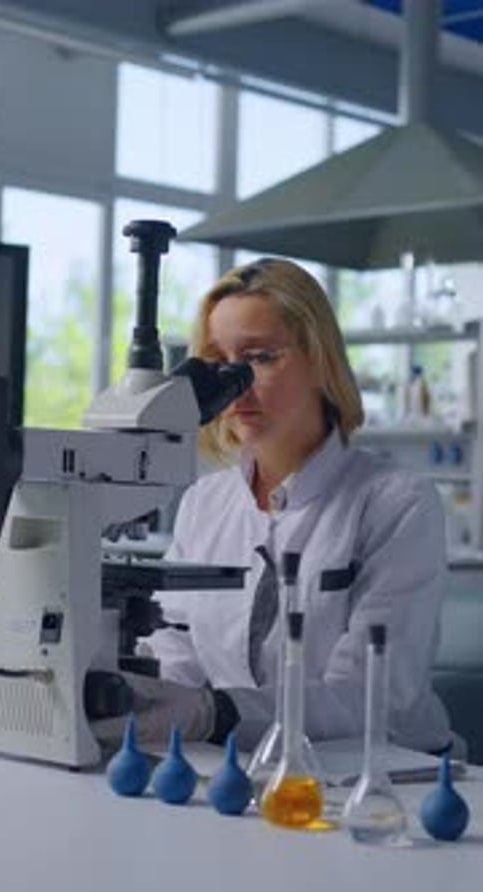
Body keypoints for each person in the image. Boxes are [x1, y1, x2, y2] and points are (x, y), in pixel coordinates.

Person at [92, 257, 451, 756]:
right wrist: (152, 702)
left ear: (320, 361)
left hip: (387, 772)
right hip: (238, 761)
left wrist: (217, 713)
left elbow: (373, 695)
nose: (234, 383)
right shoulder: (204, 502)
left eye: (259, 358)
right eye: (217, 363)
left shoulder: (396, 503)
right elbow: (178, 649)